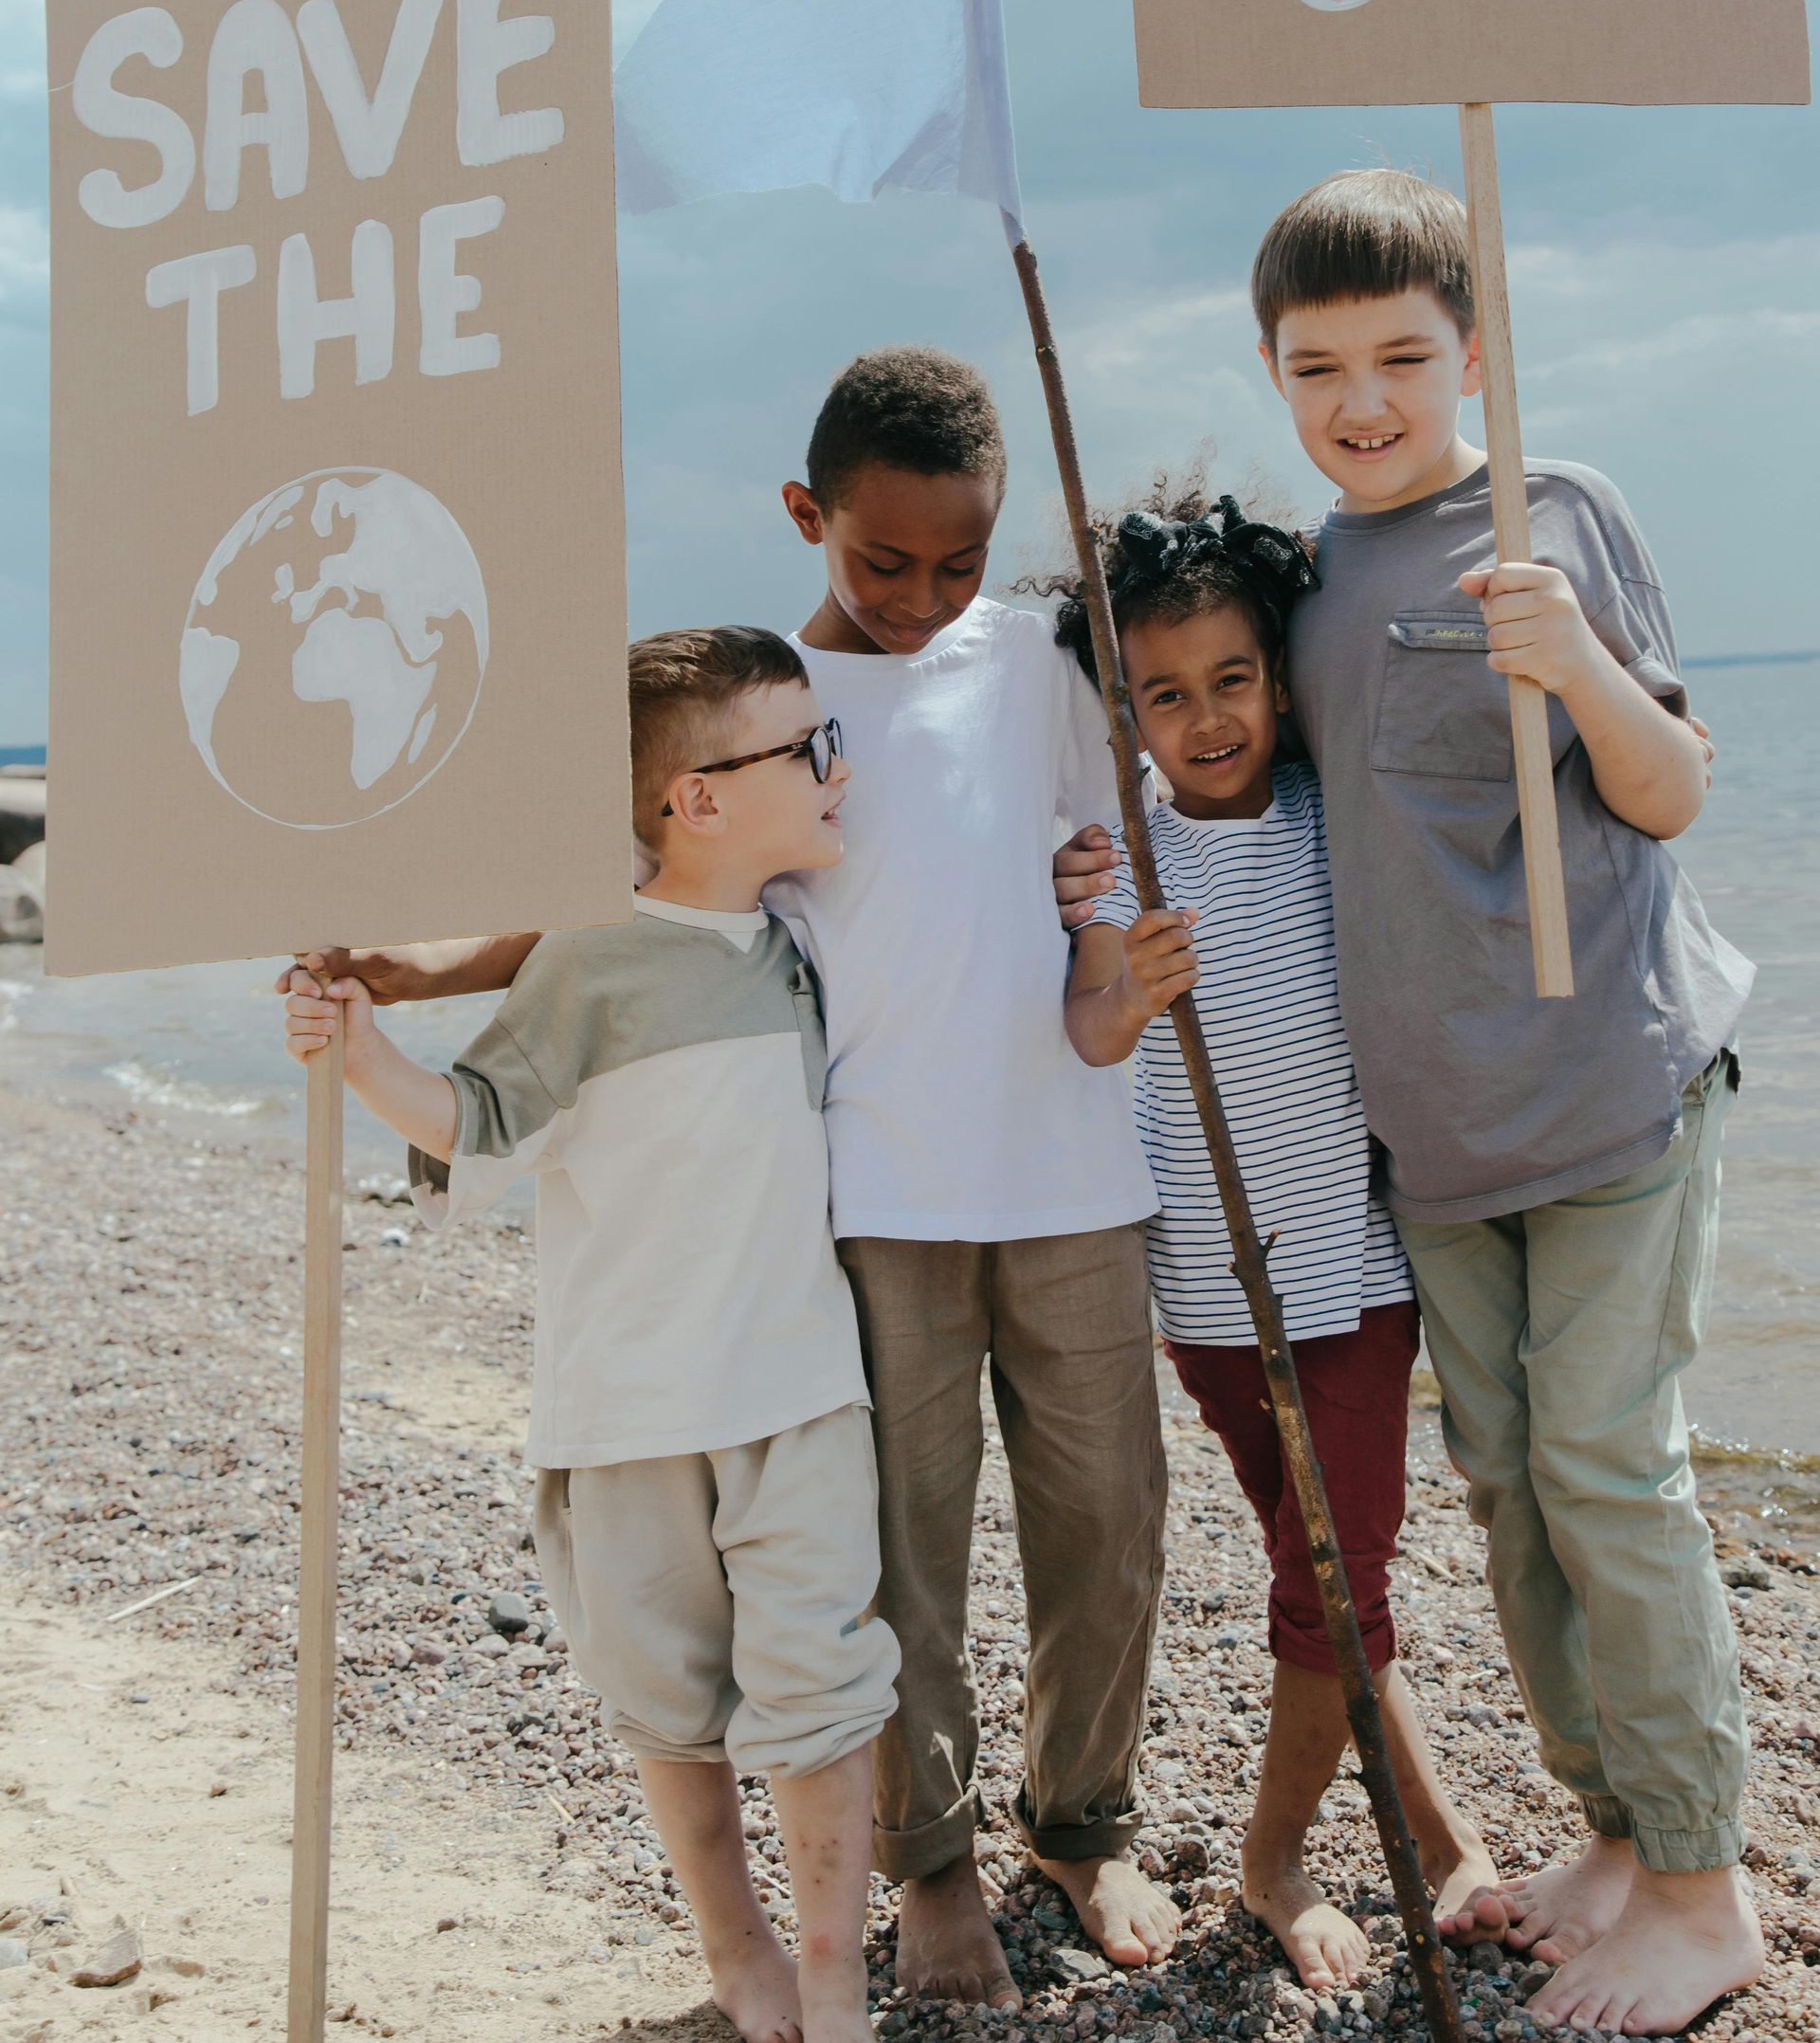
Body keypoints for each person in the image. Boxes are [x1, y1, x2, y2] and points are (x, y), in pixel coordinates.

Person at [288, 349, 1178, 2011]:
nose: (925, 597)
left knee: (1110, 1520)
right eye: (884, 561)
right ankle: (934, 1868)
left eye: (961, 561)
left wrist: (1116, 906)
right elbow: (625, 898)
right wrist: (414, 977)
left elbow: (1138, 818)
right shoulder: (762, 706)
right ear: (807, 518)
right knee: (896, 1561)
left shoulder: (1045, 660)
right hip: (871, 1202)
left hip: (1068, 1170)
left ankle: (1085, 1815)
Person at [1059, 171, 1758, 2038]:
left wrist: (1574, 662)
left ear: (1476, 350)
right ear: (1273, 372)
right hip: (1437, 1151)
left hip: (1607, 1089)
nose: (1363, 397)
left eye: (1403, 357)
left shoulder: (1554, 512)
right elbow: (1226, 783)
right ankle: (1615, 1826)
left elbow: (1675, 787)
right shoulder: (1313, 579)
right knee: (1516, 1489)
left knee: (1613, 1467)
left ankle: (1704, 1880)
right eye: (1318, 366)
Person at [284, 627, 896, 2043]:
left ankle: (835, 1977)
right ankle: (740, 1957)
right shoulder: (595, 958)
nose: (838, 771)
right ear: (696, 802)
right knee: (669, 1708)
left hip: (800, 1392)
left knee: (819, 1690)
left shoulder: (798, 941)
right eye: (811, 750)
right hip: (623, 1409)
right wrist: (361, 1045)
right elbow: (477, 1121)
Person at [1043, 480, 1493, 1995]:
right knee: (1329, 1569)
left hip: (1357, 1273)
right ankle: (1361, 1851)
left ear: (1277, 679)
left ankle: (1303, 1846)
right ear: (1125, 710)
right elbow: (1092, 1036)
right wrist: (1129, 991)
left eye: (1234, 679)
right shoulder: (1122, 856)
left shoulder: (1324, 817)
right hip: (1215, 1295)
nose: (1208, 717)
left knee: (1338, 1569)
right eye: (1165, 695)